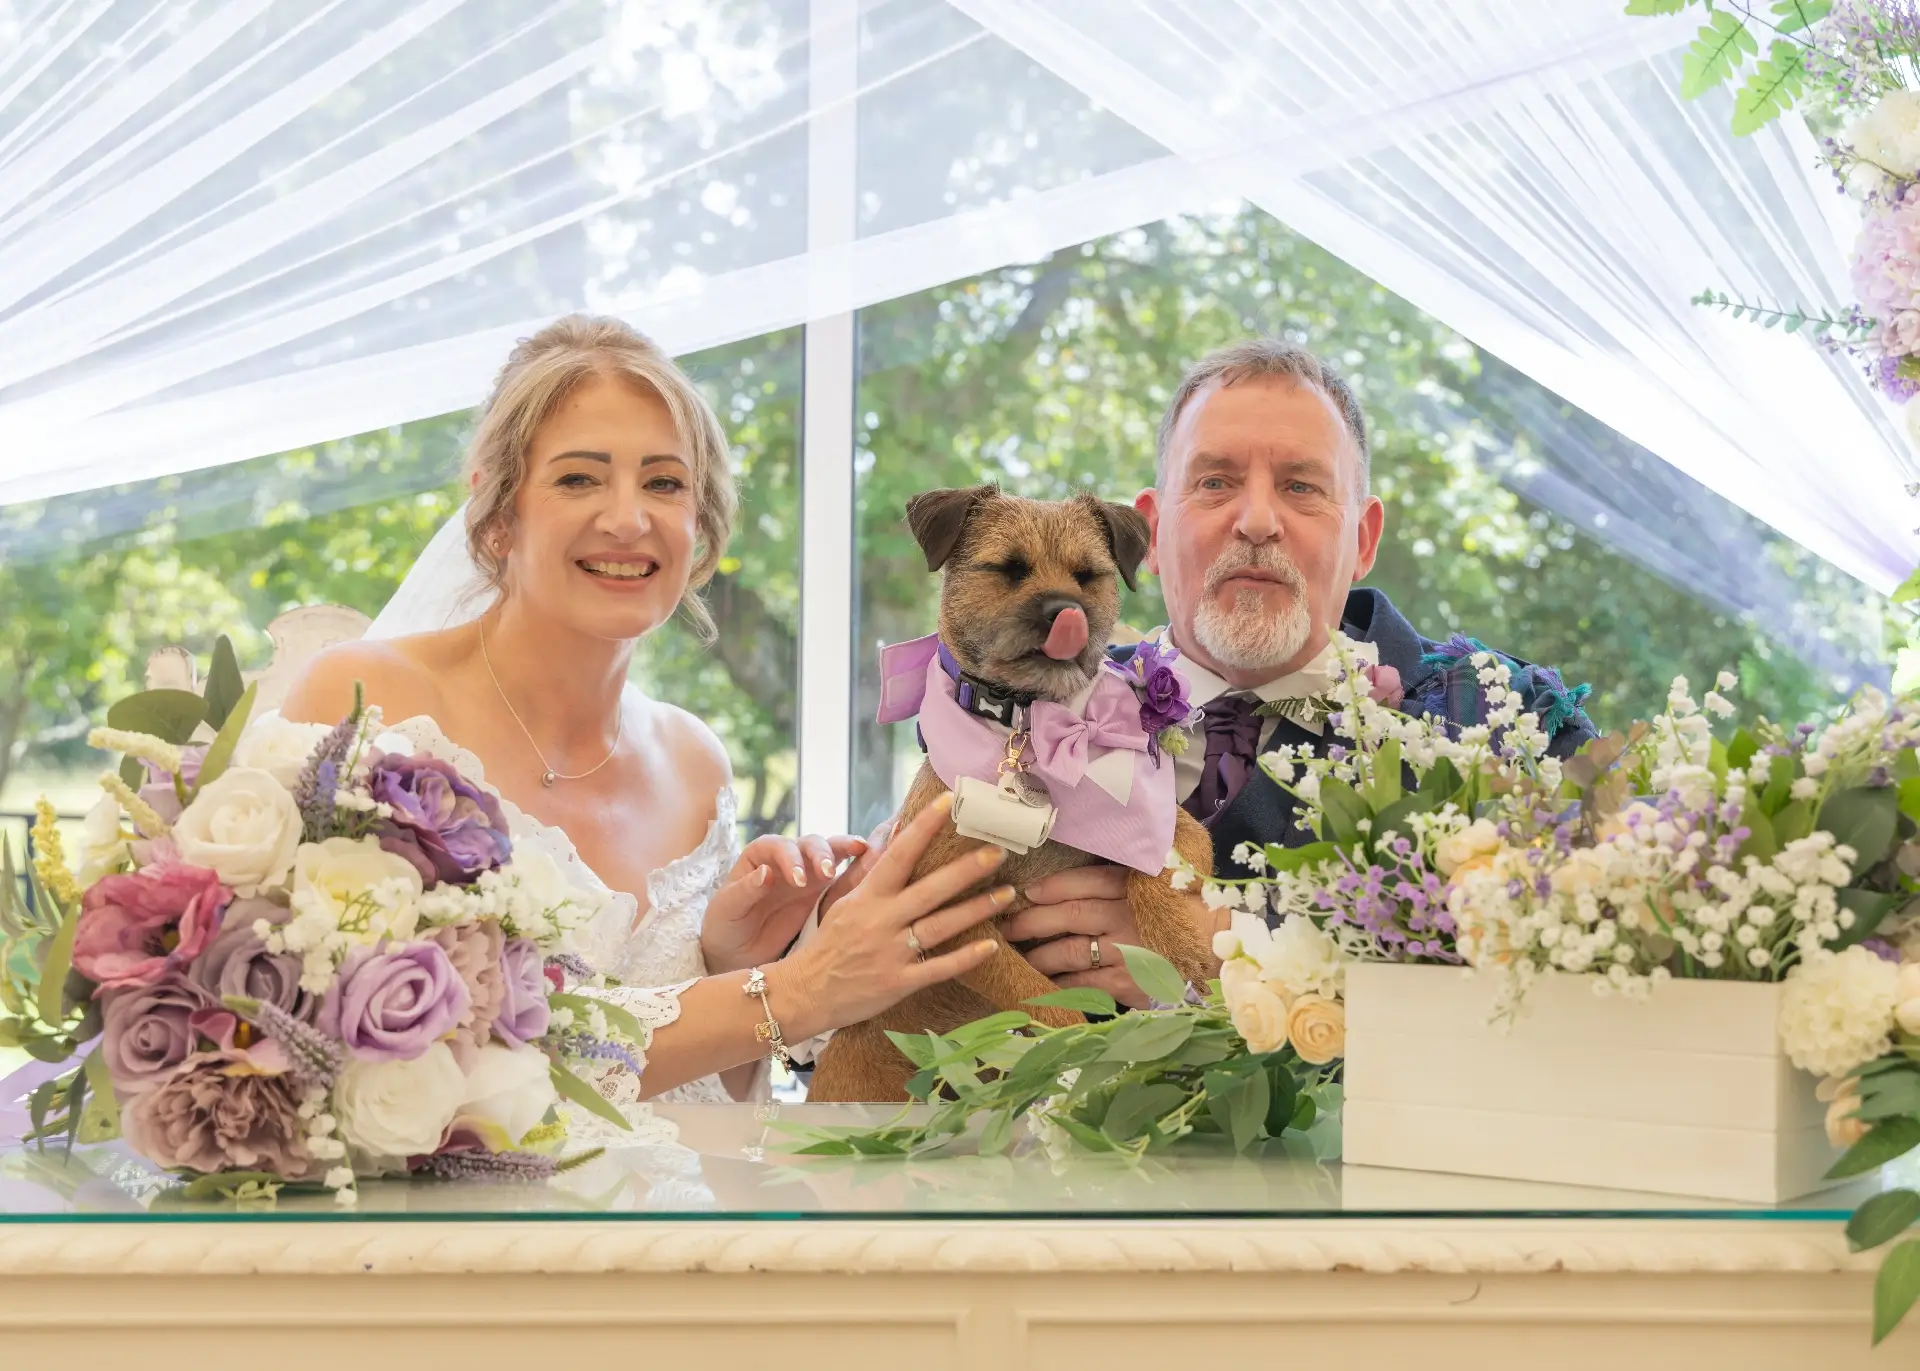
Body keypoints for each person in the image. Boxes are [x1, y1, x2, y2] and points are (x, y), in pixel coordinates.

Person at [282, 314, 1006, 1104]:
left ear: (699, 527)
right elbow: (400, 1063)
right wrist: (797, 990)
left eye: (664, 482)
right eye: (578, 478)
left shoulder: (696, 761)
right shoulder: (358, 704)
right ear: (497, 512)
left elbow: (710, 1110)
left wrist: (736, 960)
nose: (629, 519)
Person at [1008, 338, 1595, 998]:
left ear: (1364, 540)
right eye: (1214, 483)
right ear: (1146, 536)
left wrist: (1234, 948)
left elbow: (1597, 980)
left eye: (1301, 486)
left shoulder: (1507, 725)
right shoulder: (1029, 715)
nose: (1257, 521)